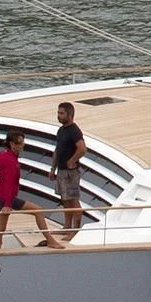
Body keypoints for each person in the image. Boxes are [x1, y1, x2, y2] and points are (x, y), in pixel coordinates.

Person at [0, 129, 56, 249]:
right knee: (38, 211)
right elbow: (8, 184)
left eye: (23, 142)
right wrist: (7, 204)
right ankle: (50, 240)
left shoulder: (5, 154)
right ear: (12, 144)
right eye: (20, 142)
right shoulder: (10, 161)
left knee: (0, 229)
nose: (23, 145)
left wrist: (0, 174)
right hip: (6, 198)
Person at [50, 102, 85, 242]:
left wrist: (72, 161)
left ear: (70, 114)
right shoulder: (61, 130)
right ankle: (67, 227)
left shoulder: (74, 131)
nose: (59, 116)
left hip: (71, 172)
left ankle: (75, 231)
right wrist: (53, 168)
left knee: (73, 201)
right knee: (65, 200)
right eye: (58, 113)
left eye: (62, 113)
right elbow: (57, 149)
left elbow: (82, 148)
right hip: (61, 170)